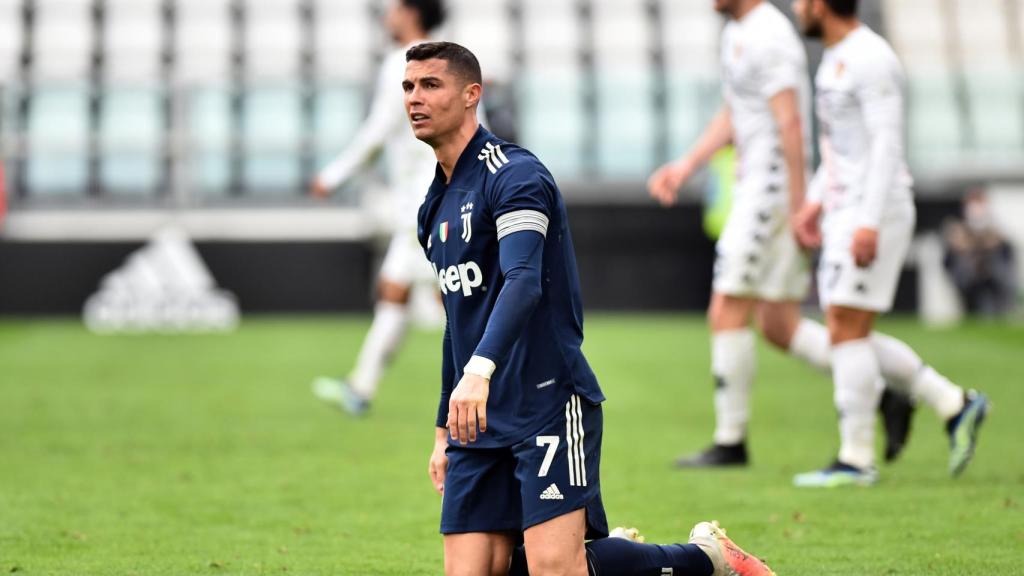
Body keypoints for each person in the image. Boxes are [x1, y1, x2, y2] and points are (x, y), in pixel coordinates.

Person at [407, 41, 774, 576]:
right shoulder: (432, 206)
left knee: (554, 569)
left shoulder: (514, 176)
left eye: (430, 85)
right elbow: (456, 322)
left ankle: (706, 560)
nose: (415, 98)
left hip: (545, 401)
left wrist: (480, 370)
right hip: (478, 419)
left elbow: (524, 281)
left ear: (471, 96)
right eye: (408, 87)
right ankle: (603, 554)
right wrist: (444, 428)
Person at [647, 0, 915, 468]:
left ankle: (731, 441)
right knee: (778, 325)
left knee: (726, 308)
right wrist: (687, 164)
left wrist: (797, 205)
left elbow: (790, 123)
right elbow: (737, 111)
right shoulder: (738, 32)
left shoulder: (770, 36)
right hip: (759, 188)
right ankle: (884, 391)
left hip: (770, 192)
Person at [790, 0, 989, 487]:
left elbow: (885, 145)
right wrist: (816, 200)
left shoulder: (871, 57)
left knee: (846, 326)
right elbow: (842, 149)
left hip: (871, 210)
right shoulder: (836, 58)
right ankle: (951, 402)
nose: (797, 8)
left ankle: (857, 460)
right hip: (845, 209)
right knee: (845, 326)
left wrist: (869, 222)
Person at [311, 0, 446, 416]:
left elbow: (377, 131)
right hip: (434, 199)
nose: (387, 16)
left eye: (393, 8)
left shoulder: (406, 63)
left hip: (427, 202)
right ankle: (361, 387)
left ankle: (513, 381)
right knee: (397, 292)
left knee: (453, 299)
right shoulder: (446, 60)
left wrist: (333, 175)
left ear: (411, 13)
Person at [943, 189, 1017, 317]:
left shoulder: (997, 232)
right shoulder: (959, 232)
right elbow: (949, 263)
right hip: (970, 283)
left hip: (994, 281)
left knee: (997, 309)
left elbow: (1007, 260)